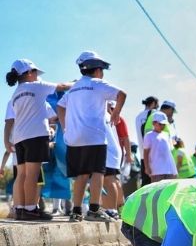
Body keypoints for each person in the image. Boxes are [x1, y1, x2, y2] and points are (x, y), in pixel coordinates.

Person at [56, 51, 127, 222]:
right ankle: (94, 210)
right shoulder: (97, 83)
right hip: (94, 136)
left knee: (81, 174)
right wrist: (116, 113)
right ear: (97, 70)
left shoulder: (73, 88)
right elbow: (121, 94)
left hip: (74, 138)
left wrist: (66, 127)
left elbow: (59, 106)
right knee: (97, 172)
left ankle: (76, 211)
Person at [5, 59, 71, 220]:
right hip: (36, 135)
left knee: (21, 175)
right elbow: (61, 86)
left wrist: (6, 141)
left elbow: (10, 121)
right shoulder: (37, 86)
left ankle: (20, 209)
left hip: (20, 138)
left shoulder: (15, 94)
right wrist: (79, 83)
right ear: (28, 73)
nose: (36, 76)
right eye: (35, 72)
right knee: (32, 175)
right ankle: (30, 209)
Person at [102, 100, 124, 218]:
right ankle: (111, 209)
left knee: (108, 180)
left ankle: (112, 210)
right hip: (111, 151)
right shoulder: (106, 115)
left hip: (108, 152)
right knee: (110, 180)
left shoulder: (102, 114)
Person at [142, 112, 177, 182]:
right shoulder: (149, 136)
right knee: (158, 191)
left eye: (163, 124)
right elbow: (146, 152)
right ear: (154, 123)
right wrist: (147, 167)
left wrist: (174, 170)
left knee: (170, 191)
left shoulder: (166, 135)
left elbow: (169, 153)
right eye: (160, 124)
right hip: (156, 171)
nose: (162, 126)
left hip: (169, 170)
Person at [134, 96, 159, 186]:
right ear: (153, 104)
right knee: (156, 184)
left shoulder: (138, 117)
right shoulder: (154, 114)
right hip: (153, 155)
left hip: (142, 155)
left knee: (145, 184)